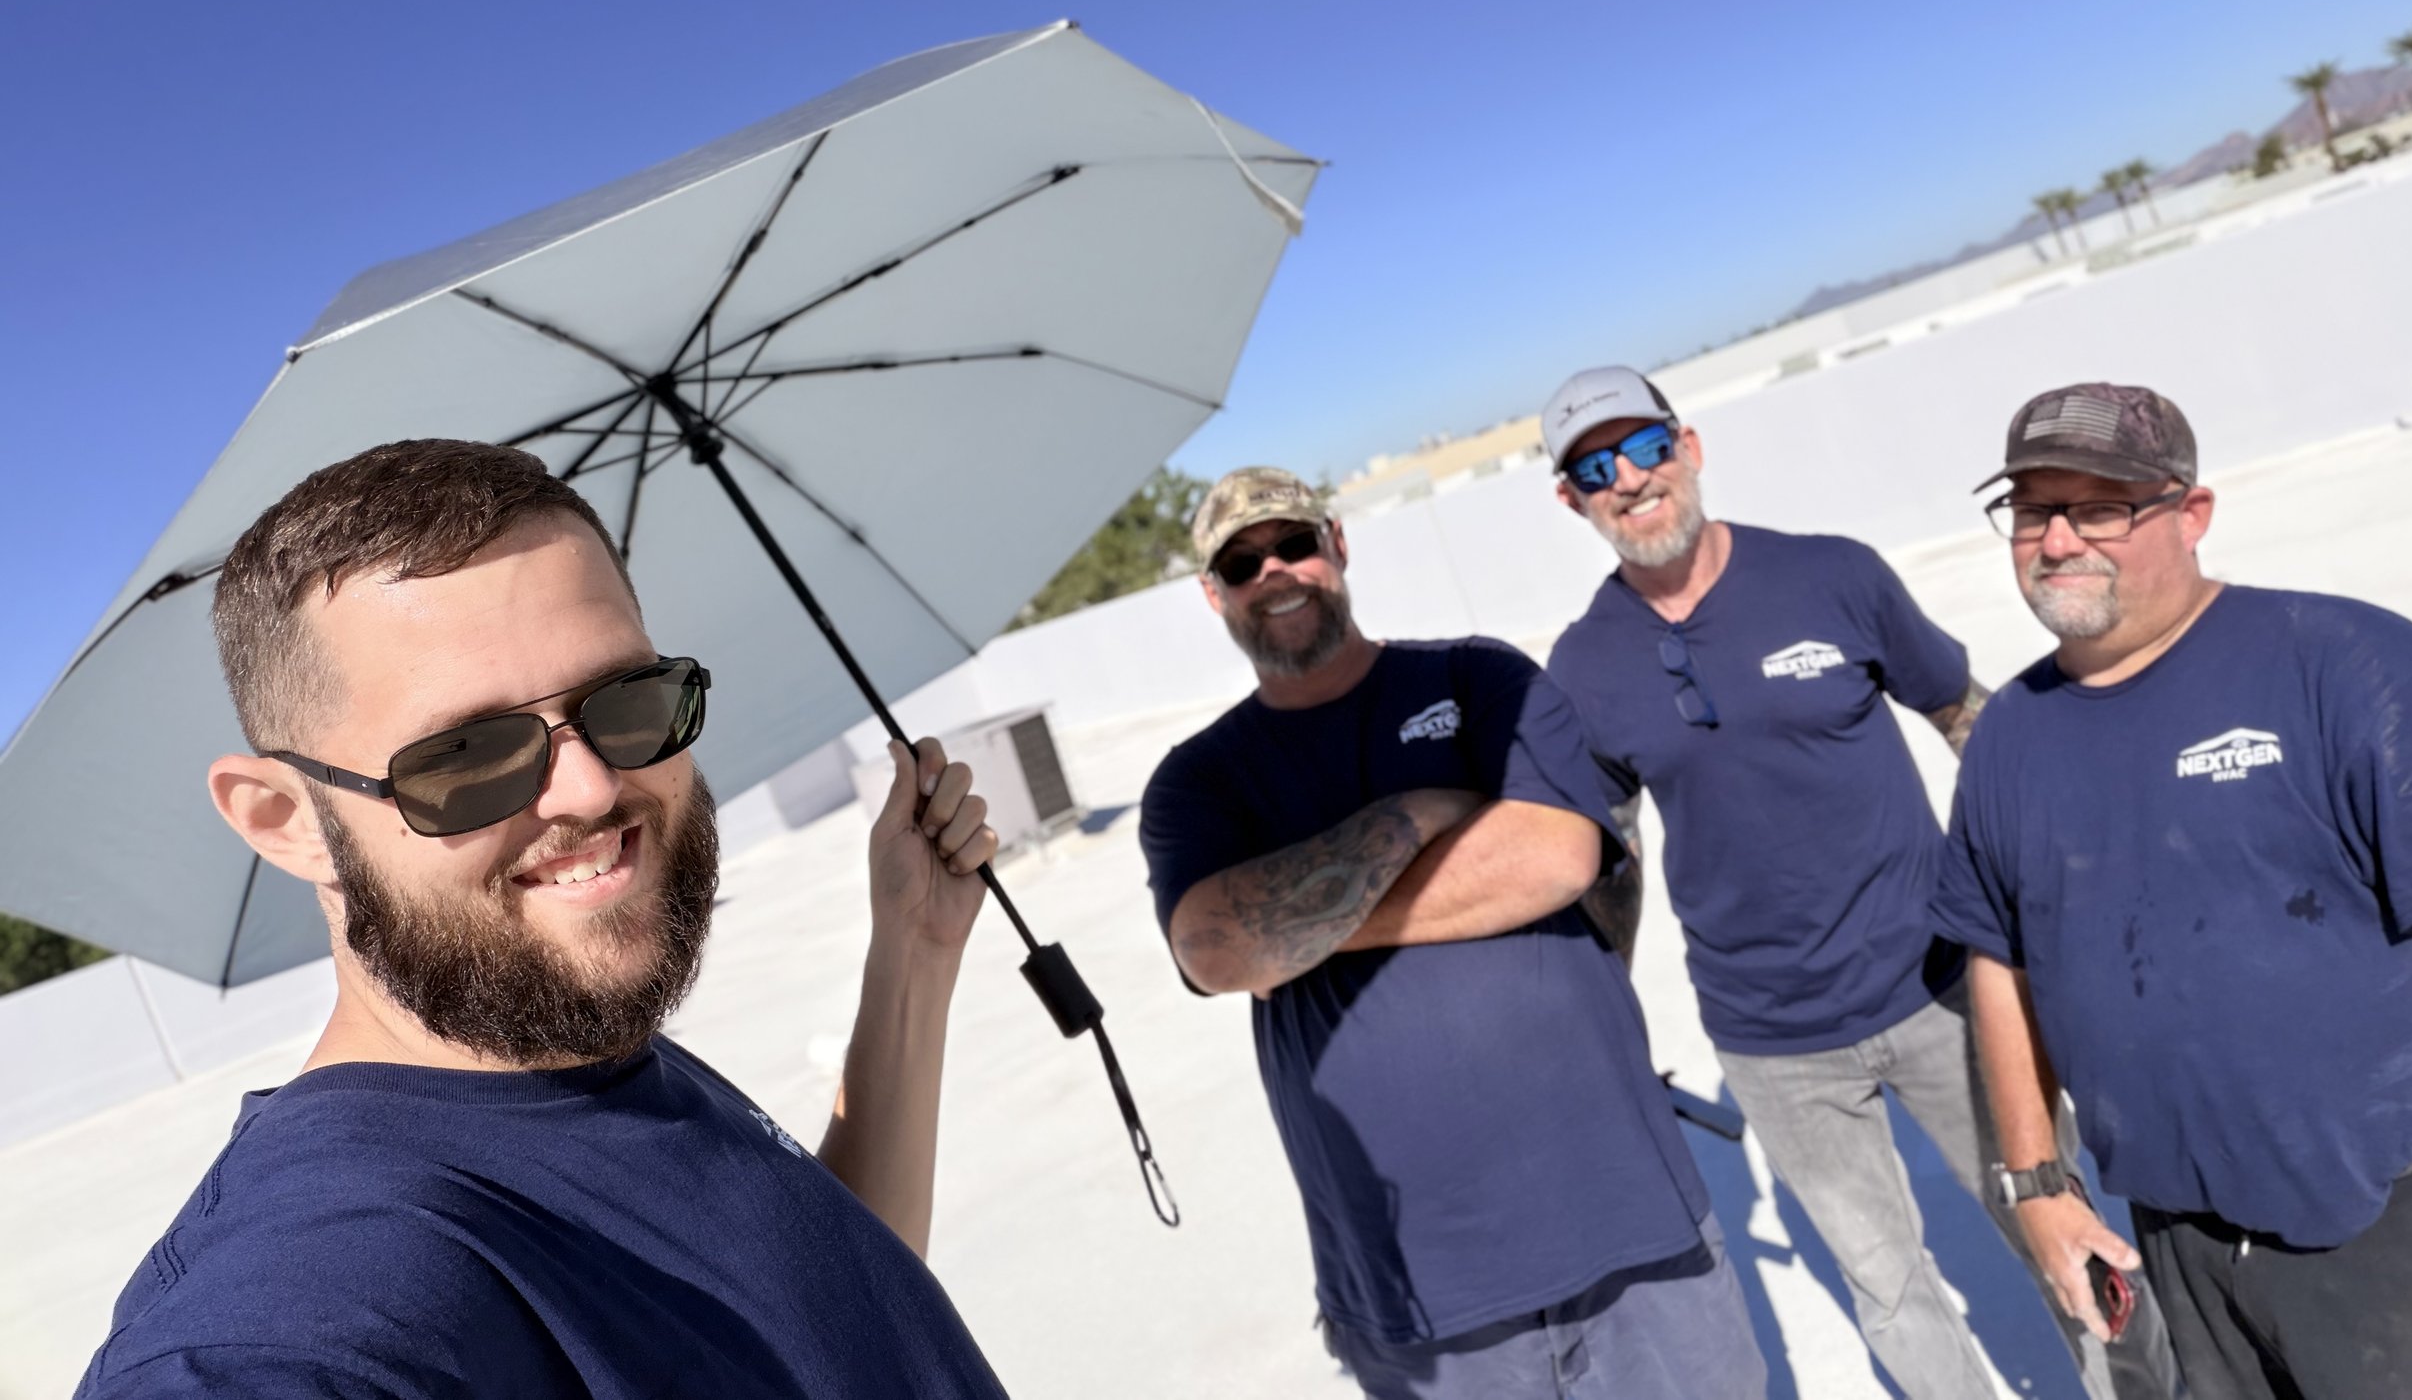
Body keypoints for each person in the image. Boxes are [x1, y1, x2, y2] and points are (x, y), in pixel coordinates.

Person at [77, 440, 1009, 1398]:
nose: (594, 786)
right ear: (288, 820)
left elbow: (830, 1321)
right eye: (470, 754)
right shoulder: (318, 1288)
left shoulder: (566, 1034)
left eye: (627, 700)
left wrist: (915, 955)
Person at [1538, 365, 2174, 1400]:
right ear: (1571, 498)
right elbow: (1611, 860)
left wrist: (2066, 872)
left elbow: (1962, 713)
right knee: (1887, 1287)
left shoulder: (1830, 575)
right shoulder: (1582, 665)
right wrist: (1596, 1022)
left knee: (2061, 1229)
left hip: (1940, 988)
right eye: (1595, 466)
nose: (1630, 479)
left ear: (1687, 447)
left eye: (1645, 447)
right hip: (1768, 1038)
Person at [1138, 467, 1768, 1400]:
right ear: (1213, 592)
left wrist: (1302, 930)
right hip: (1425, 1292)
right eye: (1242, 559)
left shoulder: (1475, 677)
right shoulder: (1198, 781)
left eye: (1296, 543)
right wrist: (1422, 808)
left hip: (1625, 1216)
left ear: (1338, 545)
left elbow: (1557, 856)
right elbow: (1216, 949)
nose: (1275, 570)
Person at [1935, 382, 2412, 1399]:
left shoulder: (2350, 666)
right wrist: (2036, 1184)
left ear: (2190, 515)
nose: (2057, 539)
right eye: (2031, 510)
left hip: (2390, 1230)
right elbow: (1997, 955)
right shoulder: (2009, 737)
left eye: (2099, 506)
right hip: (2171, 1245)